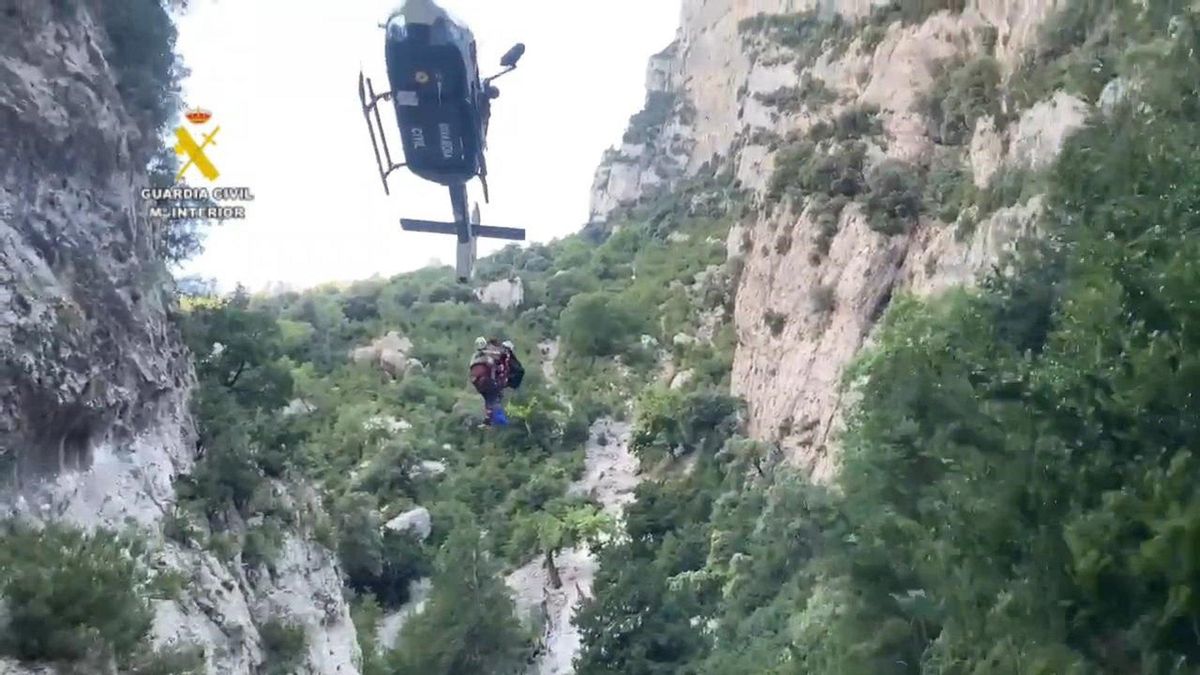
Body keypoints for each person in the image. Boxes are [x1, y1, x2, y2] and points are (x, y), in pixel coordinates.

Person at [468, 336, 521, 426]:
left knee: (490, 400)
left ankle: (489, 420)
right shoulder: (490, 356)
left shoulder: (476, 356)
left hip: (479, 384)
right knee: (493, 400)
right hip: (488, 382)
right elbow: (494, 365)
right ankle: (501, 422)